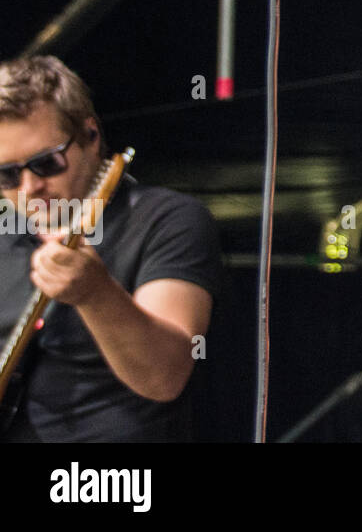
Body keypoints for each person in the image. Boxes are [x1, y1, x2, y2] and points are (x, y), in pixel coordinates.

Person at [0, 56, 222, 442]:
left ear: (90, 135)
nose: (28, 187)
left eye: (46, 163)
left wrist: (96, 294)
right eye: (6, 174)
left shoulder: (168, 219)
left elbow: (164, 376)